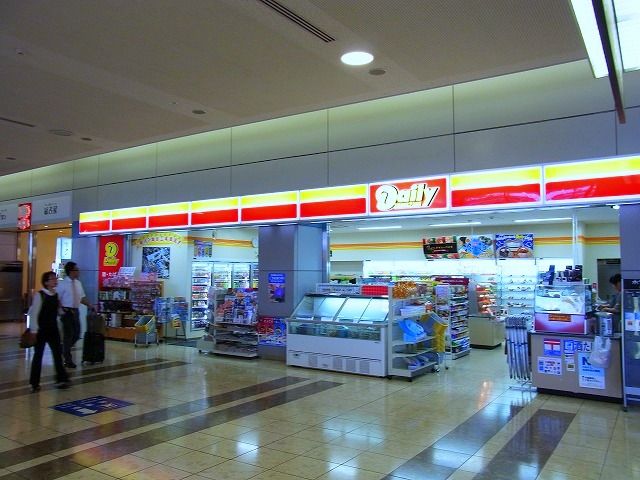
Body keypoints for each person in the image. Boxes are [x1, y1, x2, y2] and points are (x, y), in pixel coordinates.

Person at [29, 271, 70, 391]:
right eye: (52, 279)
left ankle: (61, 379)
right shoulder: (40, 295)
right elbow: (34, 314)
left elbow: (58, 311)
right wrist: (33, 330)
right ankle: (34, 383)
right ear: (46, 282)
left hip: (53, 329)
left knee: (57, 354)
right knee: (38, 355)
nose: (55, 280)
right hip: (41, 330)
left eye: (55, 278)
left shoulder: (55, 295)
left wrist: (64, 311)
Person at [57, 261, 93, 368]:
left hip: (75, 312)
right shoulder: (62, 284)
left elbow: (81, 298)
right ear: (71, 271)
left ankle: (64, 349)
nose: (78, 272)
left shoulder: (78, 283)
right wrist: (60, 310)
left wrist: (90, 305)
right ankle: (68, 359)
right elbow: (57, 298)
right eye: (76, 270)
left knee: (77, 334)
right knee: (68, 335)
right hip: (66, 312)